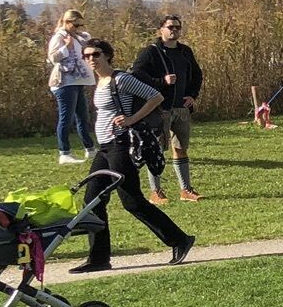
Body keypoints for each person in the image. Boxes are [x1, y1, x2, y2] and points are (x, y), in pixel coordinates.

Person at [74, 39, 195, 273]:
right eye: (86, 56)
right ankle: (98, 258)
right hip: (105, 148)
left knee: (132, 201)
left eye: (96, 54)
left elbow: (155, 96)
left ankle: (179, 239)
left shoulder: (121, 79)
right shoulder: (100, 81)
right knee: (92, 200)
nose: (91, 59)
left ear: (107, 55)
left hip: (120, 146)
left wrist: (131, 119)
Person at [131, 14, 205, 203]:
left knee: (181, 149)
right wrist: (161, 81)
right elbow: (136, 74)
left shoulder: (185, 51)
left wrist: (192, 95)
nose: (174, 30)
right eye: (170, 27)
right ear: (161, 29)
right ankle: (156, 192)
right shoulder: (151, 52)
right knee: (156, 149)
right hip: (160, 109)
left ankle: (186, 190)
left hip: (182, 109)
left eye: (177, 27)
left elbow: (197, 74)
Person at [45, 9, 94, 164]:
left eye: (81, 25)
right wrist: (66, 47)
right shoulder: (59, 37)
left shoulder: (79, 37)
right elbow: (52, 58)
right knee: (66, 118)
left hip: (78, 81)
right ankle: (64, 153)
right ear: (67, 22)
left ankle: (90, 149)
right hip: (64, 82)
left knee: (83, 117)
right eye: (76, 25)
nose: (79, 28)